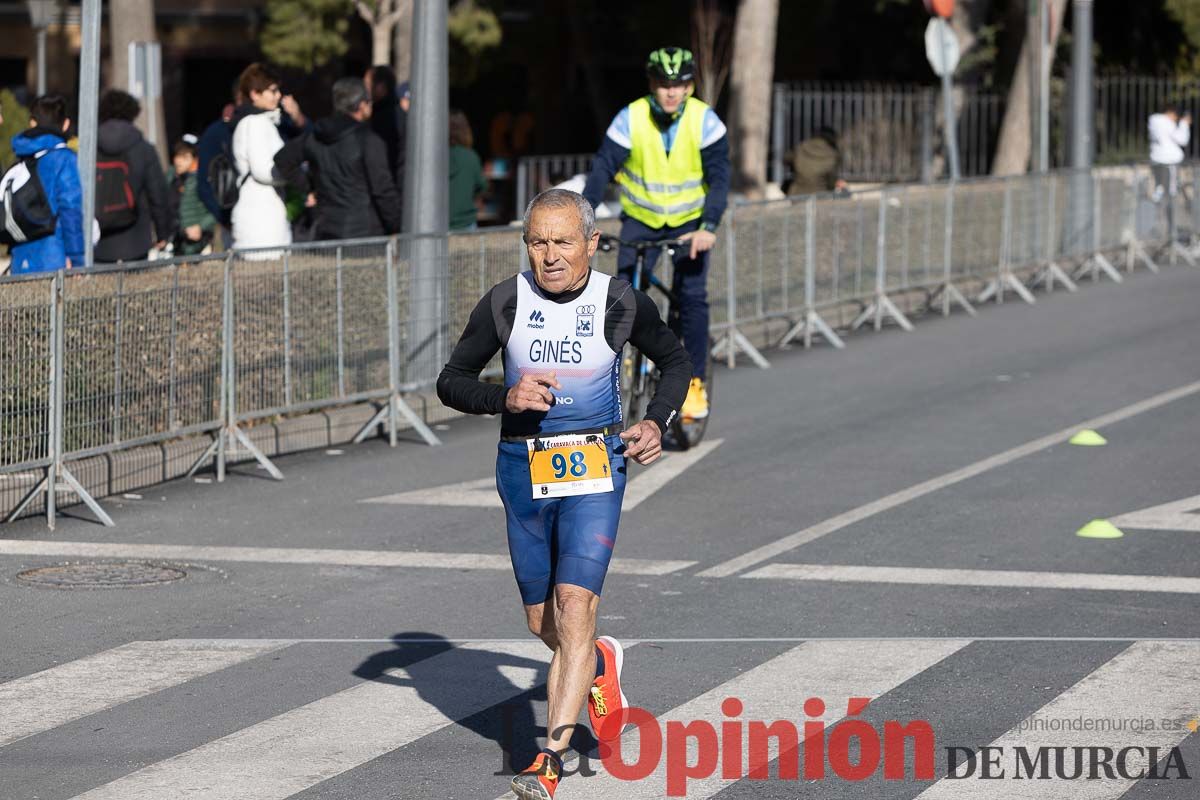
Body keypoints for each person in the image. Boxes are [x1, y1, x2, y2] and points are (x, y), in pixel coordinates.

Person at [436, 188, 690, 800]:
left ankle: (547, 760)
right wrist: (506, 397)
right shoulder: (505, 301)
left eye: (562, 242)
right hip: (522, 468)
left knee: (575, 603)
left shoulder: (619, 302)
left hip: (595, 466)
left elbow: (676, 360)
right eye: (537, 242)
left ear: (591, 244)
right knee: (541, 621)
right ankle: (598, 664)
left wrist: (657, 419)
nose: (549, 256)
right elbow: (451, 382)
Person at [583, 46, 729, 422]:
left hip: (688, 225)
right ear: (652, 84)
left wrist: (708, 227)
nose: (671, 92)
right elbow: (602, 169)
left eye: (679, 85)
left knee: (692, 298)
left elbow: (719, 179)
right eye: (663, 85)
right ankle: (613, 372)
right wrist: (582, 218)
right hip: (641, 220)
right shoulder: (630, 117)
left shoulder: (704, 120)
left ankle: (694, 382)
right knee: (621, 295)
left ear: (690, 86)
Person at [274, 78, 402, 240]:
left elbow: (283, 160)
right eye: (369, 102)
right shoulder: (368, 140)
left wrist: (312, 187)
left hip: (327, 232)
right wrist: (397, 225)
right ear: (361, 105)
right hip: (366, 235)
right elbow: (382, 189)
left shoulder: (315, 136)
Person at [6, 94, 83, 273]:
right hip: (55, 257)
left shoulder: (22, 157)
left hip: (20, 257)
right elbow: (70, 210)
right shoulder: (64, 159)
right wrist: (77, 259)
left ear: (33, 123)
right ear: (65, 124)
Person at [93, 89, 172, 263]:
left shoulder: (91, 148)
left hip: (98, 240)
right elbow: (157, 194)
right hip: (135, 240)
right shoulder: (143, 149)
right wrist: (163, 233)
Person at [230, 63, 293, 254]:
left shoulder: (258, 121)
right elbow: (263, 170)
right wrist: (294, 172)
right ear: (255, 94)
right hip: (260, 218)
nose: (278, 95)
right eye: (272, 91)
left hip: (263, 212)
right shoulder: (255, 123)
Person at [168, 135, 217, 255]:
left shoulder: (204, 180)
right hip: (179, 244)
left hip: (200, 244)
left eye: (183, 156)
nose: (177, 161)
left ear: (194, 158)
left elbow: (215, 209)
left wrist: (201, 227)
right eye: (176, 156)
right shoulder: (174, 179)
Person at [1148, 104, 1191, 237]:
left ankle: (1160, 222)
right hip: (1169, 162)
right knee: (1170, 192)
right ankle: (1168, 229)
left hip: (1157, 161)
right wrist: (1184, 124)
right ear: (1171, 113)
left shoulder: (1154, 121)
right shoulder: (1166, 122)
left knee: (1160, 189)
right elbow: (1182, 139)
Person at [448, 109, 486, 231]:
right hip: (466, 223)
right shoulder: (471, 157)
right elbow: (482, 186)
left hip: (439, 224)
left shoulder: (435, 159)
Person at [787, 126, 849, 197]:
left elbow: (786, 159)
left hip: (797, 194)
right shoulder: (833, 155)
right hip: (821, 195)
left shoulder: (801, 147)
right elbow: (831, 181)